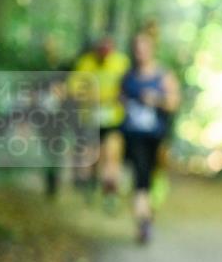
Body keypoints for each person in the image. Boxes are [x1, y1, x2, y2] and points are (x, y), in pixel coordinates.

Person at [119, 31, 180, 244]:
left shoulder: (163, 76)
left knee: (154, 180)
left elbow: (173, 103)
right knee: (140, 178)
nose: (141, 52)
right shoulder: (128, 78)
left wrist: (157, 100)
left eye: (144, 47)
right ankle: (143, 221)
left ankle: (147, 214)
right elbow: (120, 102)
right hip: (134, 136)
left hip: (157, 137)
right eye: (137, 48)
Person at [69, 35, 131, 210]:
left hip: (113, 119)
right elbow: (73, 89)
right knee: (92, 157)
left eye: (108, 48)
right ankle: (90, 183)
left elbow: (129, 86)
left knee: (111, 155)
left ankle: (110, 193)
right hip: (89, 119)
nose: (104, 52)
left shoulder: (121, 62)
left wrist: (120, 97)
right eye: (101, 48)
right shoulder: (86, 63)